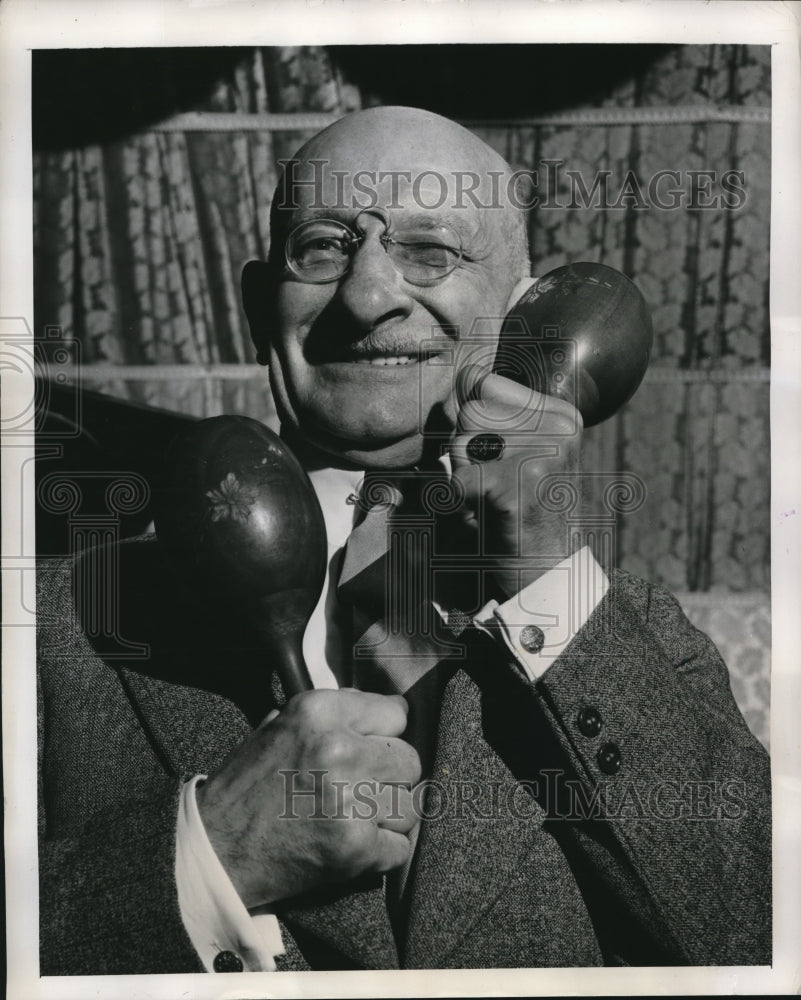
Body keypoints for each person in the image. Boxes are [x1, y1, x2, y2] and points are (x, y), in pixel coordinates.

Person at [37, 106, 771, 975]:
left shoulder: (622, 632)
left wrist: (544, 575)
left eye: (430, 251)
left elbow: (760, 931)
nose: (367, 295)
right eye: (322, 248)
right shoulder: (59, 624)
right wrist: (207, 858)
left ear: (519, 308)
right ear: (254, 303)